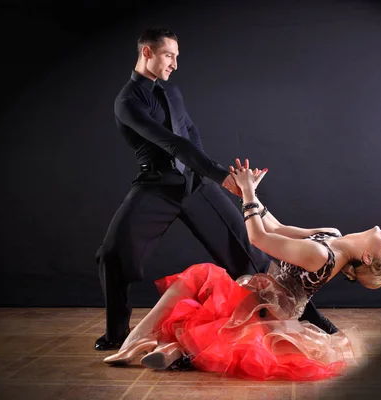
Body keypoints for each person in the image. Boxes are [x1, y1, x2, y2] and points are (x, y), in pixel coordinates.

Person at [94, 27, 338, 351]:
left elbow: (191, 135)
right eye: (169, 55)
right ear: (147, 53)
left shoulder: (172, 93)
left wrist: (219, 177)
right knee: (112, 255)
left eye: (177, 56)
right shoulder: (127, 101)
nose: (174, 64)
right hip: (156, 187)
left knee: (251, 256)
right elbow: (171, 142)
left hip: (196, 186)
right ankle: (116, 335)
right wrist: (221, 175)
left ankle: (310, 318)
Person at [102, 159, 381, 381]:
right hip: (257, 294)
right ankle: (159, 348)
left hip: (267, 311)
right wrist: (251, 194)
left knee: (199, 279)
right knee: (205, 308)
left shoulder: (321, 256)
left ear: (366, 258)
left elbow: (259, 238)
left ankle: (146, 346)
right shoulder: (332, 236)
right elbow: (279, 227)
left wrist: (247, 194)